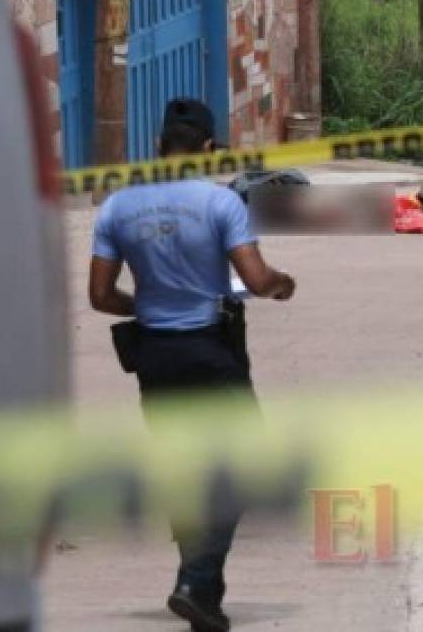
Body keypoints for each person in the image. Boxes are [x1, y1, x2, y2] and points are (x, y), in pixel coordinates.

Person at [88, 98, 296, 632]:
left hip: (154, 354)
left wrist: (148, 304)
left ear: (158, 147)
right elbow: (255, 279)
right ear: (206, 149)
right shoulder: (221, 204)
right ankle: (195, 580)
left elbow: (100, 294)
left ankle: (202, 589)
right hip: (211, 349)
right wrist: (281, 285)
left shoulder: (119, 206)